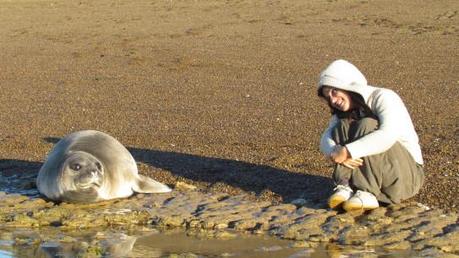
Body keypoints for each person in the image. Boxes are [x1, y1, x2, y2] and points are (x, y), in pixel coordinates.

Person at [317, 59, 424, 212]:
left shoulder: (383, 97)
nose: (333, 100)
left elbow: (388, 135)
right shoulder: (342, 114)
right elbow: (325, 138)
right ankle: (345, 185)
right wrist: (334, 150)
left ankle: (366, 191)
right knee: (342, 125)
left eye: (334, 91)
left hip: (405, 177)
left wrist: (347, 152)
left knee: (366, 124)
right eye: (328, 97)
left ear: (347, 86)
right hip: (374, 177)